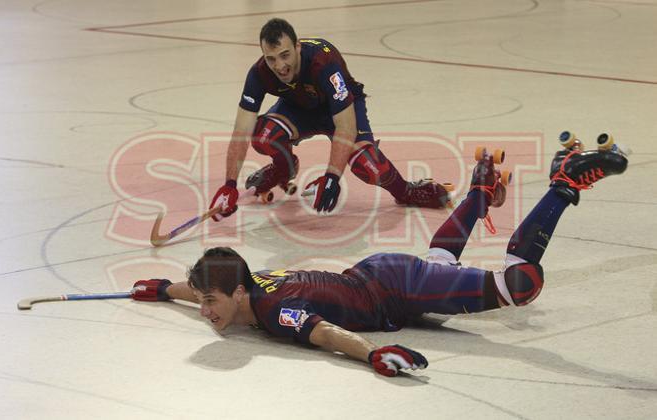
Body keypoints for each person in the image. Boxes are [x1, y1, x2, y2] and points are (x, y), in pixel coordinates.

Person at [134, 144, 628, 376]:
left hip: (396, 289)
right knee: (440, 261)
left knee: (519, 286)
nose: (205, 311)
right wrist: (163, 289)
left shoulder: (273, 311)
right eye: (203, 302)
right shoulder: (248, 282)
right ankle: (479, 187)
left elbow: (326, 335)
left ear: (239, 293)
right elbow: (201, 290)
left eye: (210, 303)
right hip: (383, 275)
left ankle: (564, 181)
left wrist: (373, 354)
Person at [209, 18, 450, 217]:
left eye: (285, 55)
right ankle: (283, 169)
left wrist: (332, 177)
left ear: (298, 47)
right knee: (262, 137)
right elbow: (241, 132)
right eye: (271, 58)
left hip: (344, 110)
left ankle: (406, 191)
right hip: (299, 110)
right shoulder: (259, 73)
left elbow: (344, 127)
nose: (279, 66)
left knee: (370, 165)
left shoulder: (323, 62)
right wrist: (229, 184)